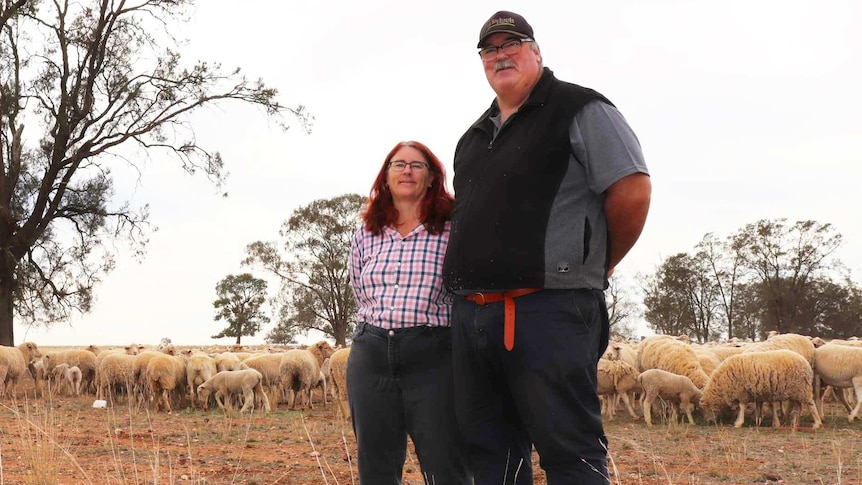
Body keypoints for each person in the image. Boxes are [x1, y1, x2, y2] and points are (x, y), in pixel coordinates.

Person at [442, 11, 652, 485]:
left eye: (512, 43)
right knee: (489, 451)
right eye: (490, 49)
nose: (501, 55)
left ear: (536, 51)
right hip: (473, 317)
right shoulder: (472, 138)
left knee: (568, 447)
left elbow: (632, 189)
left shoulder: (581, 108)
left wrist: (596, 264)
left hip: (549, 309)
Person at [347, 141, 472, 484]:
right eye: (398, 164)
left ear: (432, 178)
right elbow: (359, 288)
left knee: (446, 463)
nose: (406, 171)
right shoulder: (367, 232)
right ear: (385, 177)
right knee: (376, 467)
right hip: (371, 355)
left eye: (417, 166)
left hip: (433, 357)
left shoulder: (450, 228)